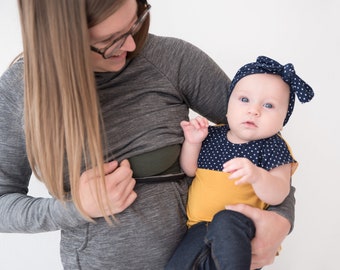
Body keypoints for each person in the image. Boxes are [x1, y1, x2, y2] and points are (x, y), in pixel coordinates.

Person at [0, 0, 295, 269]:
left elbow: (265, 143)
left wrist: (281, 218)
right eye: (109, 40)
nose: (130, 44)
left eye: (135, 23)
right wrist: (74, 209)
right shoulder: (21, 92)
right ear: (61, 39)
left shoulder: (173, 60)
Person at [166, 56, 314, 270]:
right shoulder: (212, 136)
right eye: (244, 100)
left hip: (239, 227)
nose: (254, 110)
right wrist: (192, 142)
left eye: (269, 105)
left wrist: (257, 175)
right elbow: (189, 170)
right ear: (228, 105)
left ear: (283, 120)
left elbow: (279, 193)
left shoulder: (273, 146)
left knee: (226, 223)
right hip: (198, 226)